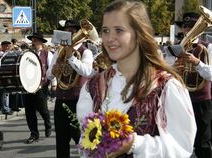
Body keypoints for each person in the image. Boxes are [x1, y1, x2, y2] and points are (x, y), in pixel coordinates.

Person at [76, 1, 197, 157]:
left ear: (139, 34)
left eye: (119, 30)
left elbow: (181, 148)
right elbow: (85, 143)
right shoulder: (92, 86)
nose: (109, 38)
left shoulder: (166, 86)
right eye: (105, 30)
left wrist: (134, 143)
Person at [46, 19, 94, 158]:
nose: (69, 34)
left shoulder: (85, 52)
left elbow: (86, 71)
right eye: (66, 31)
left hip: (78, 101)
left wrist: (70, 58)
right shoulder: (58, 51)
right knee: (61, 141)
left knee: (81, 139)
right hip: (61, 100)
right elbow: (49, 75)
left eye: (72, 31)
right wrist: (54, 71)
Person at [174, 11, 212, 158]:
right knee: (182, 140)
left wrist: (197, 62)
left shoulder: (207, 47)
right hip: (181, 99)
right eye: (186, 26)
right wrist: (174, 68)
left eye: (192, 26)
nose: (188, 29)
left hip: (202, 100)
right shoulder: (176, 48)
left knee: (203, 142)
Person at [24, 32, 52, 144]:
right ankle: (34, 134)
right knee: (29, 112)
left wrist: (52, 83)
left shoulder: (47, 54)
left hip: (41, 86)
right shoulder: (27, 54)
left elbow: (51, 69)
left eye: (35, 40)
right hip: (29, 86)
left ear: (40, 42)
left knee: (43, 109)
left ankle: (47, 123)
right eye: (32, 40)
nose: (33, 42)